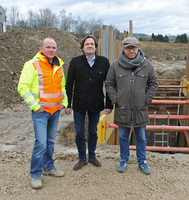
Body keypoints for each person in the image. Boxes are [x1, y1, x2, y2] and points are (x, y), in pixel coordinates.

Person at [17, 38, 68, 189]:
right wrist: (34, 105)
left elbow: (62, 86)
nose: (51, 50)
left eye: (53, 47)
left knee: (51, 142)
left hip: (55, 111)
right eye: (48, 47)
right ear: (41, 48)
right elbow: (23, 87)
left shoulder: (59, 65)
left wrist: (63, 103)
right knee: (41, 143)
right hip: (41, 112)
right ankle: (35, 174)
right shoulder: (32, 64)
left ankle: (48, 167)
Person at [105, 37, 158, 175]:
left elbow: (154, 83)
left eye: (134, 48)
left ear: (138, 48)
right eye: (128, 48)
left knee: (141, 137)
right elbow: (109, 83)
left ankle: (142, 161)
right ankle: (123, 160)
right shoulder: (116, 66)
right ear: (124, 49)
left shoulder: (147, 65)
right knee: (123, 136)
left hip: (140, 108)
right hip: (123, 108)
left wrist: (146, 98)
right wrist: (116, 98)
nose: (131, 50)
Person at [65, 35, 113, 171]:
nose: (90, 46)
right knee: (79, 132)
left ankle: (92, 156)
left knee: (93, 131)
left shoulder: (103, 62)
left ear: (96, 47)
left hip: (96, 103)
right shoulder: (75, 62)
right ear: (82, 47)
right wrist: (67, 104)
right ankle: (82, 158)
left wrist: (109, 105)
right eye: (87, 44)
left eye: (92, 44)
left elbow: (109, 84)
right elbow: (69, 84)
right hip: (79, 103)